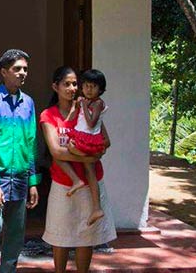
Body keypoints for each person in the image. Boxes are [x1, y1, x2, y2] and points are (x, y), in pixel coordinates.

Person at [40, 66, 116, 273]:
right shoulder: (49, 115)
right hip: (63, 183)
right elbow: (56, 151)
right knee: (60, 234)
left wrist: (92, 153)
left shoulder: (87, 108)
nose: (72, 88)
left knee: (86, 236)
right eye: (67, 84)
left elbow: (104, 140)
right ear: (55, 86)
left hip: (91, 182)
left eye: (75, 84)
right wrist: (86, 156)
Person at [0, 49, 41, 273]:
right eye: (17, 69)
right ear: (4, 72)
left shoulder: (28, 103)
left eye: (25, 69)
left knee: (15, 237)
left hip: (20, 179)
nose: (22, 73)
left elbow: (31, 143)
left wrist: (33, 182)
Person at [62, 69, 109, 226]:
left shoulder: (97, 103)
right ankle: (96, 207)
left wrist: (83, 104)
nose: (89, 90)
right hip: (82, 136)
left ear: (100, 90)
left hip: (89, 140)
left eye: (93, 86)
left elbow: (91, 123)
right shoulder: (86, 102)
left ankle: (95, 205)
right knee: (90, 172)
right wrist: (77, 108)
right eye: (86, 86)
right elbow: (75, 118)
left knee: (70, 148)